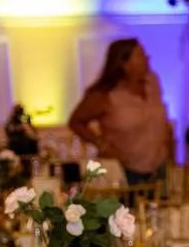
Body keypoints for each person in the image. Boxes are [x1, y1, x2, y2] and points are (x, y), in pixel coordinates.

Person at [68, 38, 173, 185]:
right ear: (125, 64)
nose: (147, 58)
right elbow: (76, 121)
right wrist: (101, 144)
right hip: (126, 170)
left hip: (159, 168)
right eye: (140, 55)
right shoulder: (105, 95)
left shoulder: (152, 82)